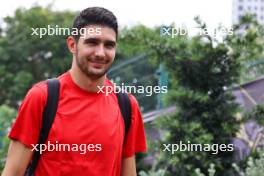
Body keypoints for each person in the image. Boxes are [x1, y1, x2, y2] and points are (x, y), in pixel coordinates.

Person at [1, 7, 147, 176]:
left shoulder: (127, 105)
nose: (100, 53)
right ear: (72, 44)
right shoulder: (43, 97)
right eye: (92, 42)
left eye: (109, 45)